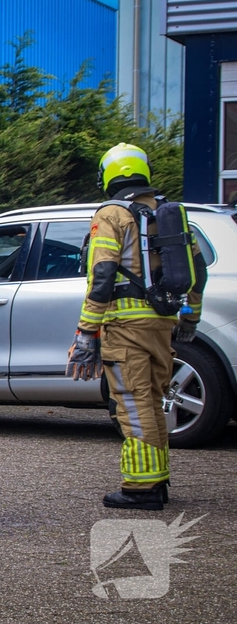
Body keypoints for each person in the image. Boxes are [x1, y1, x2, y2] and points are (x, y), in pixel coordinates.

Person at [66, 143, 207, 510]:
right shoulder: (168, 213)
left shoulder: (111, 214)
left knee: (131, 402)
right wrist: (190, 318)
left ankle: (141, 488)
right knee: (153, 401)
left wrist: (86, 331)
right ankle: (157, 479)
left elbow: (102, 274)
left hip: (125, 324)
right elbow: (198, 272)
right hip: (162, 322)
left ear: (108, 175)